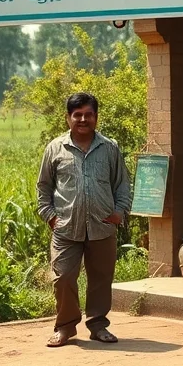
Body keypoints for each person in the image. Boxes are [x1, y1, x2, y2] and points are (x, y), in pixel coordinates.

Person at [37, 92, 132, 347]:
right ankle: (66, 327)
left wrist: (119, 213)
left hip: (103, 226)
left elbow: (122, 185)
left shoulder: (109, 148)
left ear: (96, 117)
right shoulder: (55, 148)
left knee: (101, 280)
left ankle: (98, 325)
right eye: (77, 115)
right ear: (68, 118)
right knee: (64, 277)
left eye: (88, 115)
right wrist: (50, 217)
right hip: (66, 228)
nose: (82, 119)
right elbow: (43, 187)